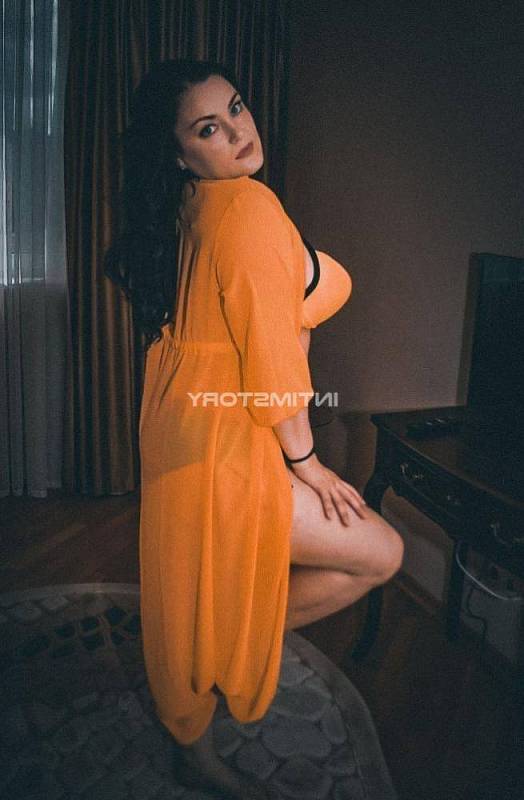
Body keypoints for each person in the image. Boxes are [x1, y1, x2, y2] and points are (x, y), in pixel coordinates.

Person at [104, 58, 404, 800]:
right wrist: (307, 462)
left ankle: (212, 686)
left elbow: (262, 312)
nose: (239, 131)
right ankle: (225, 663)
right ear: (181, 152)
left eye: (236, 108)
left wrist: (307, 292)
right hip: (224, 438)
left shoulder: (190, 203)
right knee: (381, 552)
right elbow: (272, 362)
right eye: (209, 128)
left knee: (194, 591)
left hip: (180, 423)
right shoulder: (247, 207)